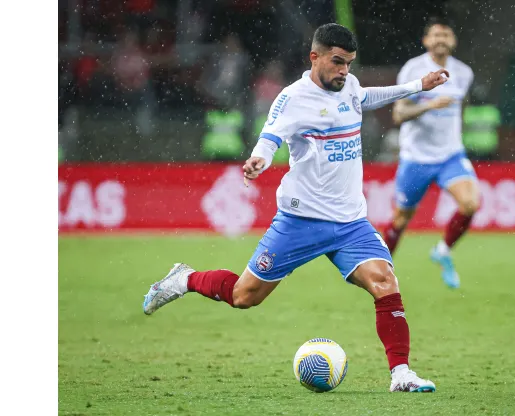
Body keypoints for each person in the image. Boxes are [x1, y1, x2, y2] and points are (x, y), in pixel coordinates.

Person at [142, 23, 449, 393]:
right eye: (337, 62)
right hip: (300, 221)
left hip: (351, 222)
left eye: (349, 64)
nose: (344, 71)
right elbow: (270, 136)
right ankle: (185, 279)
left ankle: (401, 374)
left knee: (386, 283)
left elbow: (366, 96)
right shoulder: (292, 98)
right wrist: (258, 160)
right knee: (244, 296)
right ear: (314, 57)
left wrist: (418, 86)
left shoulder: (348, 85)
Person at [383, 18, 478, 289]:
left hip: (450, 155)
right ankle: (382, 269)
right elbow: (398, 114)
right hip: (417, 157)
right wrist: (430, 105)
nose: (441, 39)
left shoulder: (463, 72)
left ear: (453, 41)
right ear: (426, 41)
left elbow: (462, 105)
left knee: (470, 204)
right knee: (401, 219)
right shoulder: (413, 69)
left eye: (446, 35)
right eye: (436, 35)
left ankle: (443, 251)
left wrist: (456, 132)